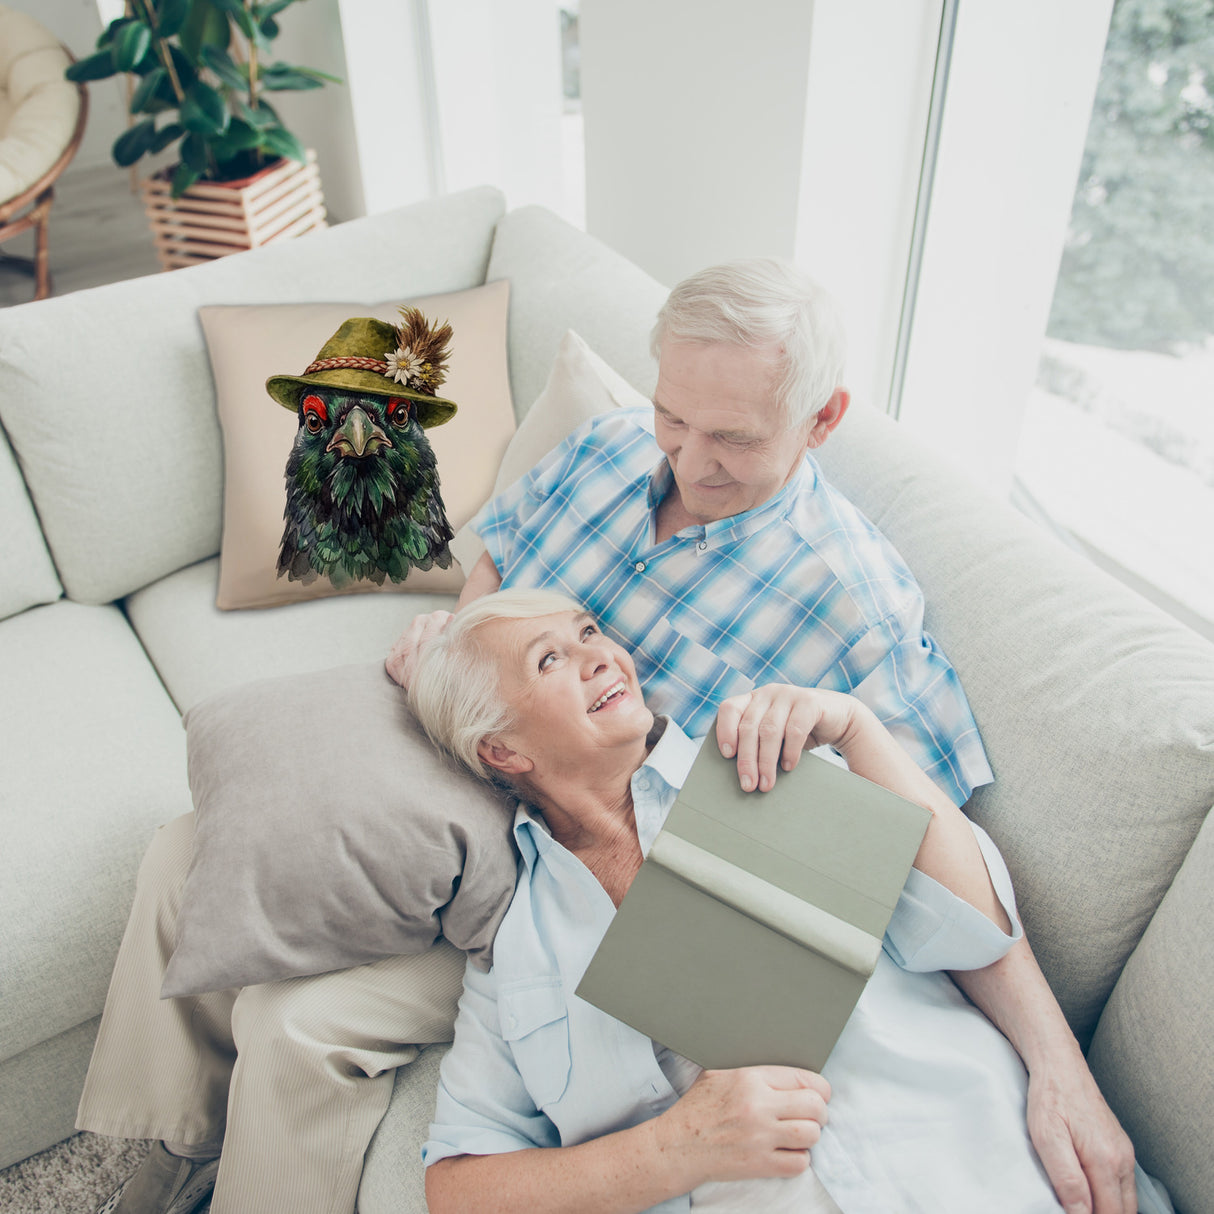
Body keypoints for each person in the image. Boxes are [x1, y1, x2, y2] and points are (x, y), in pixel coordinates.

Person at [79, 260, 1131, 1214]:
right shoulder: (608, 447)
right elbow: (499, 567)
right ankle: (159, 1151)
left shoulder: (853, 607)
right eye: (674, 415)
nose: (687, 457)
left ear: (820, 420)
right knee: (192, 846)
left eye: (732, 438)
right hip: (489, 747)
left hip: (579, 852)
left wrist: (1057, 1063)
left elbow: (927, 856)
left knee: (300, 1024)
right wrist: (457, 642)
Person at [406, 588, 1158, 1214]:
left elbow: (973, 929)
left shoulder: (760, 761)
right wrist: (674, 1149)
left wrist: (859, 731)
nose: (601, 654)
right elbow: (458, 1187)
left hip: (987, 1166)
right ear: (502, 750)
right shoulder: (516, 952)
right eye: (550, 659)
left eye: (589, 632)